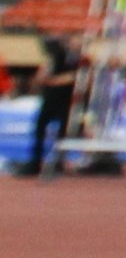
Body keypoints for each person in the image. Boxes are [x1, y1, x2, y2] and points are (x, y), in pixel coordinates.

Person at [18, 34, 80, 177]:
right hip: (51, 99)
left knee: (62, 133)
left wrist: (51, 81)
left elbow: (72, 77)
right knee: (41, 129)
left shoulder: (73, 59)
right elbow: (42, 77)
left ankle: (58, 163)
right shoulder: (53, 59)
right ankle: (36, 162)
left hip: (64, 100)